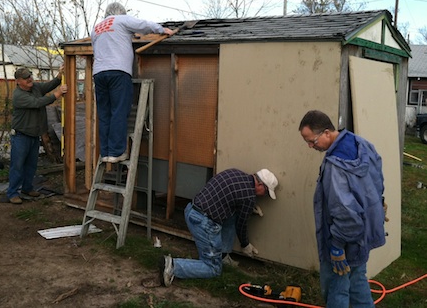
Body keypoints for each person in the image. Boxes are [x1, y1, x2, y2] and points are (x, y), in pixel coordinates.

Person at [298, 110, 387, 308]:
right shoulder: (361, 144)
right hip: (362, 233)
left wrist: (337, 246)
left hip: (344, 239)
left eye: (312, 141)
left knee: (337, 288)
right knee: (357, 281)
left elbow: (345, 213)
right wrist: (378, 203)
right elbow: (377, 179)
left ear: (327, 133)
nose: (310, 146)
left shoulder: (335, 167)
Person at [159, 168, 279, 287]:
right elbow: (241, 225)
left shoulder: (235, 173)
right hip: (203, 223)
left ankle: (222, 256)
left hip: (191, 210)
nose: (264, 195)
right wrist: (245, 245)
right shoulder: (248, 197)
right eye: (266, 191)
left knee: (232, 216)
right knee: (213, 269)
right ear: (260, 184)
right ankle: (172, 266)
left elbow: (230, 200)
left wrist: (247, 209)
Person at [91, 2, 174, 163]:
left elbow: (102, 46)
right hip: (118, 71)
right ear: (121, 12)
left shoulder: (97, 28)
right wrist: (161, 29)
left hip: (99, 73)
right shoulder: (121, 20)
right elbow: (142, 25)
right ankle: (116, 152)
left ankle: (106, 152)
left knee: (104, 113)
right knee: (119, 110)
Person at [2, 66, 67, 204]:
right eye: (26, 78)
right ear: (18, 81)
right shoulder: (19, 96)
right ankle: (12, 193)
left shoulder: (35, 87)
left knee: (31, 165)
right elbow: (37, 103)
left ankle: (27, 188)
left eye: (30, 76)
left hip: (34, 135)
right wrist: (57, 94)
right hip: (21, 135)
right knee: (17, 165)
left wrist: (59, 76)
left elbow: (48, 86)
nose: (30, 79)